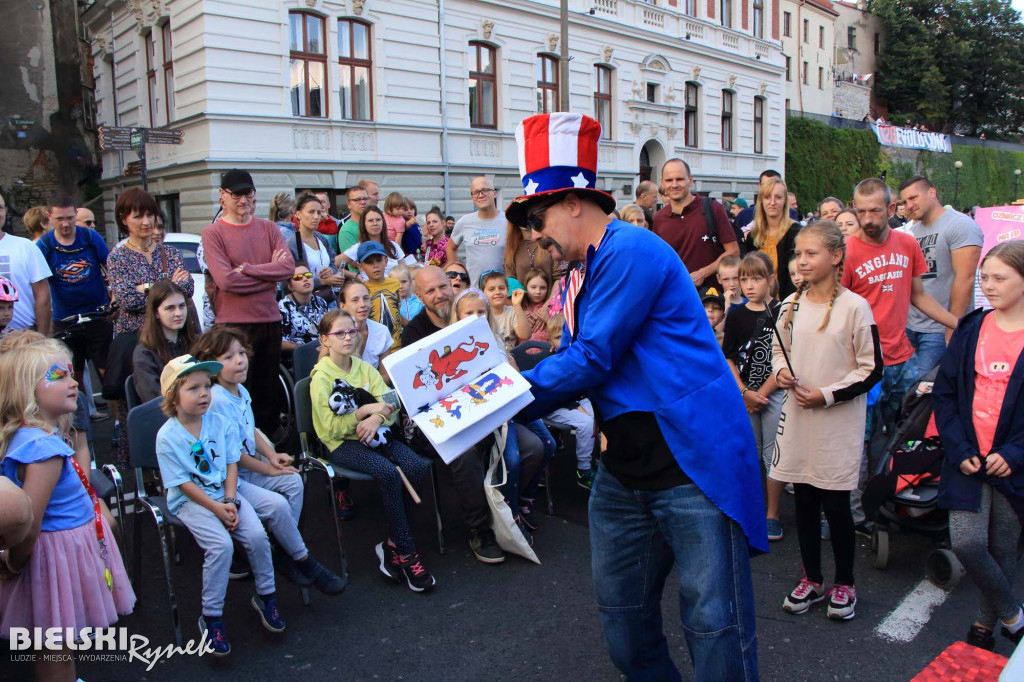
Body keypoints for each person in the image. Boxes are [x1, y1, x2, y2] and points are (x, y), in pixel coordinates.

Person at [507, 112, 764, 680]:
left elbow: (592, 358)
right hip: (623, 473)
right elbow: (576, 364)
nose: (533, 235)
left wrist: (497, 401)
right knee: (625, 627)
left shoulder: (630, 250)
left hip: (690, 467)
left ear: (573, 202)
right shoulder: (579, 273)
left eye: (537, 217)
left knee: (716, 630)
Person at [0, 339, 135, 680]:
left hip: (61, 553)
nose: (75, 381)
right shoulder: (42, 449)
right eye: (59, 375)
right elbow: (29, 521)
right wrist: (13, 563)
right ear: (28, 389)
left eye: (71, 373)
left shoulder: (40, 436)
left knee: (56, 642)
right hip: (52, 558)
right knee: (54, 647)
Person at [774, 219, 883, 621]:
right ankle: (812, 578)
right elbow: (777, 351)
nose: (801, 261)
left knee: (836, 506)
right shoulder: (790, 304)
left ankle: (846, 583)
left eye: (810, 253)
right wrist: (781, 373)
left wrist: (827, 394)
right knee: (803, 499)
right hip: (799, 419)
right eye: (797, 254)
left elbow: (871, 369)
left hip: (836, 423)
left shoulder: (856, 307)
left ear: (836, 256)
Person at [403, 266, 544, 564]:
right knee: (465, 457)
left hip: (489, 412)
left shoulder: (476, 322)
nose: (440, 294)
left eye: (443, 286)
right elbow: (418, 393)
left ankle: (504, 510)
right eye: (430, 291)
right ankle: (480, 528)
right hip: (447, 419)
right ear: (419, 296)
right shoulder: (413, 333)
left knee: (533, 448)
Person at [192, 326, 346, 595]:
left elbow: (249, 430)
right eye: (228, 357)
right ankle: (294, 553)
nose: (240, 360)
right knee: (280, 492)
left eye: (241, 353)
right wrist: (268, 469)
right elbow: (234, 456)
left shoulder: (239, 390)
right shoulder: (217, 401)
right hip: (229, 480)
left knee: (294, 482)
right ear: (212, 366)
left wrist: (273, 455)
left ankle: (282, 548)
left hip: (246, 471)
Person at [155, 355, 286, 656]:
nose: (204, 394)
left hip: (226, 493)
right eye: (193, 388)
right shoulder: (167, 436)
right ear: (173, 396)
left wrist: (229, 500)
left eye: (206, 387)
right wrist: (217, 508)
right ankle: (212, 615)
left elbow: (231, 464)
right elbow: (183, 484)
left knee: (256, 537)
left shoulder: (219, 422)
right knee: (221, 546)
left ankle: (267, 595)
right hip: (191, 501)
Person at [933, 240, 1024, 651]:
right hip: (967, 456)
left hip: (1012, 464)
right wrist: (957, 446)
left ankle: (982, 629)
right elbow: (945, 393)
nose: (987, 285)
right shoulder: (972, 327)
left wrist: (1015, 453)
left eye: (999, 278)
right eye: (984, 277)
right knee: (968, 542)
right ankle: (1015, 616)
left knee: (1003, 551)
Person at [311, 309, 436, 592]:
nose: (347, 337)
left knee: (416, 466)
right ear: (324, 340)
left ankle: (392, 543)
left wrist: (378, 418)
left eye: (352, 331)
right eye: (339, 333)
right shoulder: (321, 378)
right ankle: (406, 552)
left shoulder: (364, 368)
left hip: (378, 435)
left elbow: (390, 401)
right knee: (389, 474)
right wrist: (363, 412)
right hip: (344, 445)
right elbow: (329, 429)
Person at [843, 178, 959, 439]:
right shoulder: (847, 252)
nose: (867, 219)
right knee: (863, 437)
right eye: (861, 211)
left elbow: (919, 296)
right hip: (865, 362)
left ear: (891, 209)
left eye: (875, 211)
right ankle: (866, 481)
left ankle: (896, 479)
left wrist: (958, 324)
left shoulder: (907, 245)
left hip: (903, 358)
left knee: (906, 432)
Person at [201, 169, 294, 435]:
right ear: (223, 196)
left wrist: (249, 269)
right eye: (237, 194)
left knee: (267, 392)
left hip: (269, 321)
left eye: (248, 193)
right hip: (234, 326)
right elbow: (226, 281)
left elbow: (287, 269)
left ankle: (268, 450)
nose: (243, 200)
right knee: (237, 391)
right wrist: (268, 275)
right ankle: (239, 453)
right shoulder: (212, 233)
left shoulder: (268, 228)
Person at [723, 252, 785, 541]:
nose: (749, 285)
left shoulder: (783, 311)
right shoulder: (736, 315)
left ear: (771, 279)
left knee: (773, 454)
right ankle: (749, 507)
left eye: (756, 278)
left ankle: (772, 513)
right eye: (743, 279)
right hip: (745, 394)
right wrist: (744, 392)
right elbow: (730, 357)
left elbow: (787, 357)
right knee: (749, 451)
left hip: (775, 393)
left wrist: (762, 392)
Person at [899, 175, 984, 380]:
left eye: (913, 198)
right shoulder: (911, 231)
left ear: (932, 192)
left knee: (921, 391)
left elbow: (965, 278)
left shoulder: (960, 225)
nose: (909, 205)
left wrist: (953, 326)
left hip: (940, 328)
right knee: (907, 390)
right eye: (904, 202)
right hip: (911, 325)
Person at [38, 193, 113, 382]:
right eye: (59, 219)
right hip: (66, 318)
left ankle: (118, 411)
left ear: (75, 215)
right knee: (72, 373)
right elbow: (37, 284)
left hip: (97, 314)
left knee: (108, 372)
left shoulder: (89, 237)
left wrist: (115, 298)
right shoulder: (45, 245)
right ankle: (78, 410)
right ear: (49, 217)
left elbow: (113, 268)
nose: (65, 224)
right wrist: (44, 329)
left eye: (70, 218)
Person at [107, 187, 193, 336]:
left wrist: (142, 288)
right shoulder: (118, 257)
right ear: (124, 220)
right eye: (138, 216)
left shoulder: (171, 253)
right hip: (135, 336)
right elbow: (128, 300)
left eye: (150, 215)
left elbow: (187, 288)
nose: (146, 222)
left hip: (171, 336)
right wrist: (167, 286)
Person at [652, 158, 740, 289]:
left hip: (712, 299)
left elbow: (733, 251)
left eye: (680, 179)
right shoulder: (659, 218)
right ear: (662, 183)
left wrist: (703, 273)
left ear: (690, 180)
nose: (674, 185)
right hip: (676, 295)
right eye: (669, 180)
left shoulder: (713, 208)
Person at [542, 312, 598, 490]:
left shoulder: (578, 358)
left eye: (570, 336)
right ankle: (584, 470)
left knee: (603, 412)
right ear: (550, 341)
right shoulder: (553, 362)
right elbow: (554, 394)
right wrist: (575, 406)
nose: (565, 341)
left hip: (576, 400)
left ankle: (604, 459)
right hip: (553, 404)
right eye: (559, 337)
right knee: (586, 423)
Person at [0, 200, 51, 335]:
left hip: (22, 336)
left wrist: (41, 337)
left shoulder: (25, 247)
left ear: (5, 210)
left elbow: (43, 294)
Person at [744, 177, 800, 299]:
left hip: (788, 302)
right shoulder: (753, 236)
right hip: (758, 304)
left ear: (785, 201)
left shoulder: (796, 233)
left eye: (778, 197)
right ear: (761, 201)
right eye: (768, 197)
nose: (772, 202)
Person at [446, 176, 507, 286]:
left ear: (495, 193)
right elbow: (450, 247)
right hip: (474, 290)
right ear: (472, 198)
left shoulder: (508, 221)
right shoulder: (464, 222)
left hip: (501, 290)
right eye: (476, 192)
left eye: (485, 190)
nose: (480, 195)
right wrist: (458, 273)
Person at [283, 194, 346, 296]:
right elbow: (288, 280)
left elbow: (332, 262)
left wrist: (331, 270)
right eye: (311, 212)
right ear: (298, 214)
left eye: (319, 212)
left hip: (328, 299)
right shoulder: (292, 243)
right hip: (306, 303)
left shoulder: (321, 238)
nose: (316, 217)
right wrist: (323, 281)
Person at [339, 279, 393, 376]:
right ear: (343, 306)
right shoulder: (334, 334)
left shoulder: (382, 331)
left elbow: (386, 374)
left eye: (366, 298)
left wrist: (371, 390)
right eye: (355, 300)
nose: (362, 304)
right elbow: (323, 371)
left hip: (375, 388)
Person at [355, 241, 403, 350]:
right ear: (360, 266)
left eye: (378, 260)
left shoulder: (395, 284)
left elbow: (396, 312)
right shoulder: (360, 290)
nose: (375, 266)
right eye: (369, 262)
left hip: (397, 345)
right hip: (374, 349)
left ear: (386, 261)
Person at [339, 206, 405, 275]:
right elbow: (333, 265)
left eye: (378, 220)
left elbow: (405, 272)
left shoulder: (393, 246)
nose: (375, 223)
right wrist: (354, 276)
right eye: (370, 220)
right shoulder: (359, 248)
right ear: (364, 224)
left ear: (383, 222)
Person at [279, 265, 330, 351]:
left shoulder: (321, 302)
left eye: (308, 275)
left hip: (324, 350)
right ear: (290, 286)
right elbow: (281, 342)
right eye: (298, 277)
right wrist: (309, 349)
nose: (305, 279)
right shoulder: (284, 307)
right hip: (299, 356)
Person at [480, 270, 528, 351]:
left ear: (508, 290)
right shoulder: (479, 313)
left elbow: (525, 335)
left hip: (509, 358)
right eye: (491, 289)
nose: (497, 292)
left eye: (501, 288)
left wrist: (517, 305)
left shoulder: (511, 311)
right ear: (482, 293)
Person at [503, 220, 554, 284]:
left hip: (553, 293)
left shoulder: (548, 241)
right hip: (520, 293)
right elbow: (510, 278)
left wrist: (553, 294)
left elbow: (559, 277)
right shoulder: (512, 247)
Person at [518, 269, 552, 342]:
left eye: (542, 288)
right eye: (533, 287)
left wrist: (548, 320)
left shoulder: (551, 309)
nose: (538, 292)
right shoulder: (520, 308)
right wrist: (520, 317)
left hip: (546, 352)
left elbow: (559, 333)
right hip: (521, 352)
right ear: (526, 287)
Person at [337, 186, 371, 256]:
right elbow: (353, 262)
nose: (363, 202)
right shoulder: (346, 230)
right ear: (348, 204)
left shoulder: (375, 222)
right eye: (357, 200)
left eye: (365, 198)